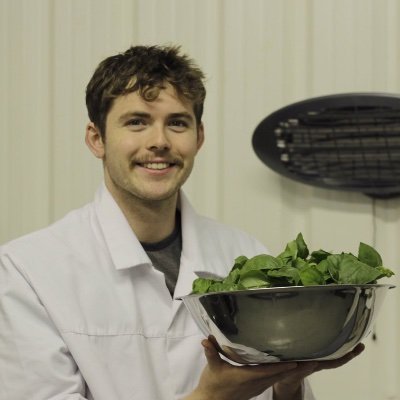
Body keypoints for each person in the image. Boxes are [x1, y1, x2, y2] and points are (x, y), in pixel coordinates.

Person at [0, 45, 364, 400]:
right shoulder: (28, 271)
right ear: (97, 139)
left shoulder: (245, 254)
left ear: (198, 137)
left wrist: (288, 384)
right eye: (137, 122)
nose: (159, 142)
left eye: (176, 123)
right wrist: (210, 397)